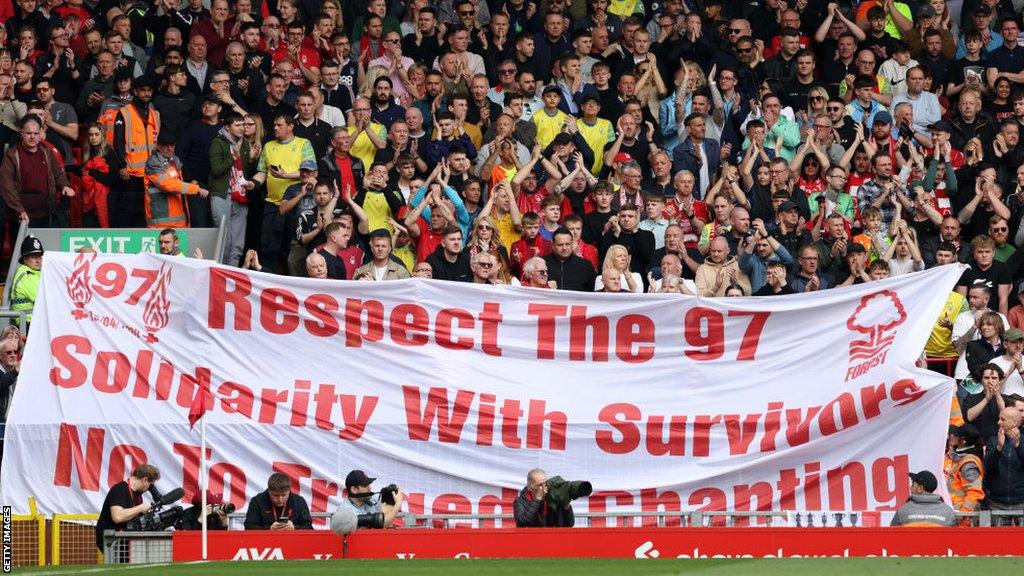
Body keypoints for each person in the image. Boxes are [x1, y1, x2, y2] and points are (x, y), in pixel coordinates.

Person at [145, 130, 209, 228]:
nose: (169, 149)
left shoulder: (174, 160)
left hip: (179, 221)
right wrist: (195, 189)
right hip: (161, 223)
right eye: (166, 145)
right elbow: (169, 185)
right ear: (158, 146)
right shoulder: (153, 163)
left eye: (172, 145)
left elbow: (177, 184)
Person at [95, 464, 161, 550]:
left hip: (125, 538)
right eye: (150, 485)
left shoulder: (138, 496)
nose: (150, 488)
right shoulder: (120, 489)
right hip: (111, 539)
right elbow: (117, 517)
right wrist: (141, 508)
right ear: (145, 480)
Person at [243, 472, 313, 530]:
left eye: (283, 495)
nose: (280, 499)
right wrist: (269, 528)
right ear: (269, 491)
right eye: (275, 495)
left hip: (292, 542)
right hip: (266, 543)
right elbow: (249, 527)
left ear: (289, 491)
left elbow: (309, 527)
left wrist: (294, 527)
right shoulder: (257, 501)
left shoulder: (299, 501)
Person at [336, 469, 404, 529]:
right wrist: (397, 505)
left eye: (369, 484)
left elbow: (386, 510)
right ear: (354, 489)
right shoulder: (345, 510)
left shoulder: (370, 499)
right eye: (366, 485)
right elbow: (381, 525)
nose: (370, 488)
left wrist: (390, 493)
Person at [889, 470, 957, 527]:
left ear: (920, 488)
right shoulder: (948, 512)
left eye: (913, 484)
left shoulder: (903, 511)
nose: (910, 488)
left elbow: (891, 537)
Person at [10, 235, 43, 326]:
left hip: (37, 320)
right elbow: (43, 298)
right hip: (28, 324)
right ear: (25, 259)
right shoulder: (25, 275)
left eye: (39, 256)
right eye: (34, 257)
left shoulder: (36, 272)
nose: (38, 261)